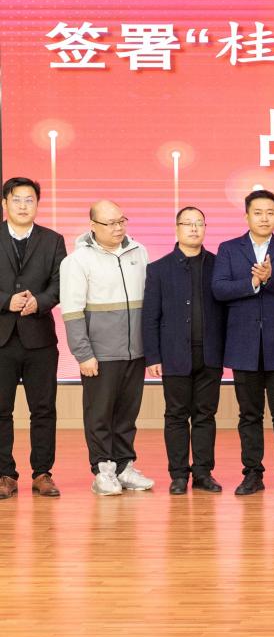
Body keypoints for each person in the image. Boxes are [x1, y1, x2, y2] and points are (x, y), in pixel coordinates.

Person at [212, 189, 274, 496]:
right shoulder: (229, 249)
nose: (264, 218)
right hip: (243, 347)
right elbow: (219, 289)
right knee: (249, 415)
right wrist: (253, 282)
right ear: (246, 216)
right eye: (258, 212)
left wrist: (269, 278)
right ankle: (252, 474)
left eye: (270, 213)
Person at [61, 200, 154, 495]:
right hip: (100, 354)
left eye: (121, 221)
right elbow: (72, 311)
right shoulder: (77, 261)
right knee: (99, 414)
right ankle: (103, 470)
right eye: (110, 223)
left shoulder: (139, 252)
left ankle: (125, 467)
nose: (118, 227)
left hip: (135, 351)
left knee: (127, 413)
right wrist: (83, 354)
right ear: (93, 226)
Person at [143, 207, 226, 494]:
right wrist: (153, 355)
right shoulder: (158, 269)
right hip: (174, 354)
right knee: (176, 415)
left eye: (199, 223)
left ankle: (203, 472)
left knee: (205, 415)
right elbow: (150, 316)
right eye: (188, 223)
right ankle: (178, 475)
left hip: (211, 353)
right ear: (176, 228)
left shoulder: (219, 265)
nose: (194, 228)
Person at [0, 177, 65, 499]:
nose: (23, 206)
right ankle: (4, 475)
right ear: (5, 203)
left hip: (40, 338)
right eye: (17, 200)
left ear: (37, 204)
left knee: (43, 409)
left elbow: (61, 283)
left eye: (29, 200)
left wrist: (39, 301)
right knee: (1, 410)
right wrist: (5, 301)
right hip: (2, 339)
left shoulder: (53, 240)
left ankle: (42, 473)